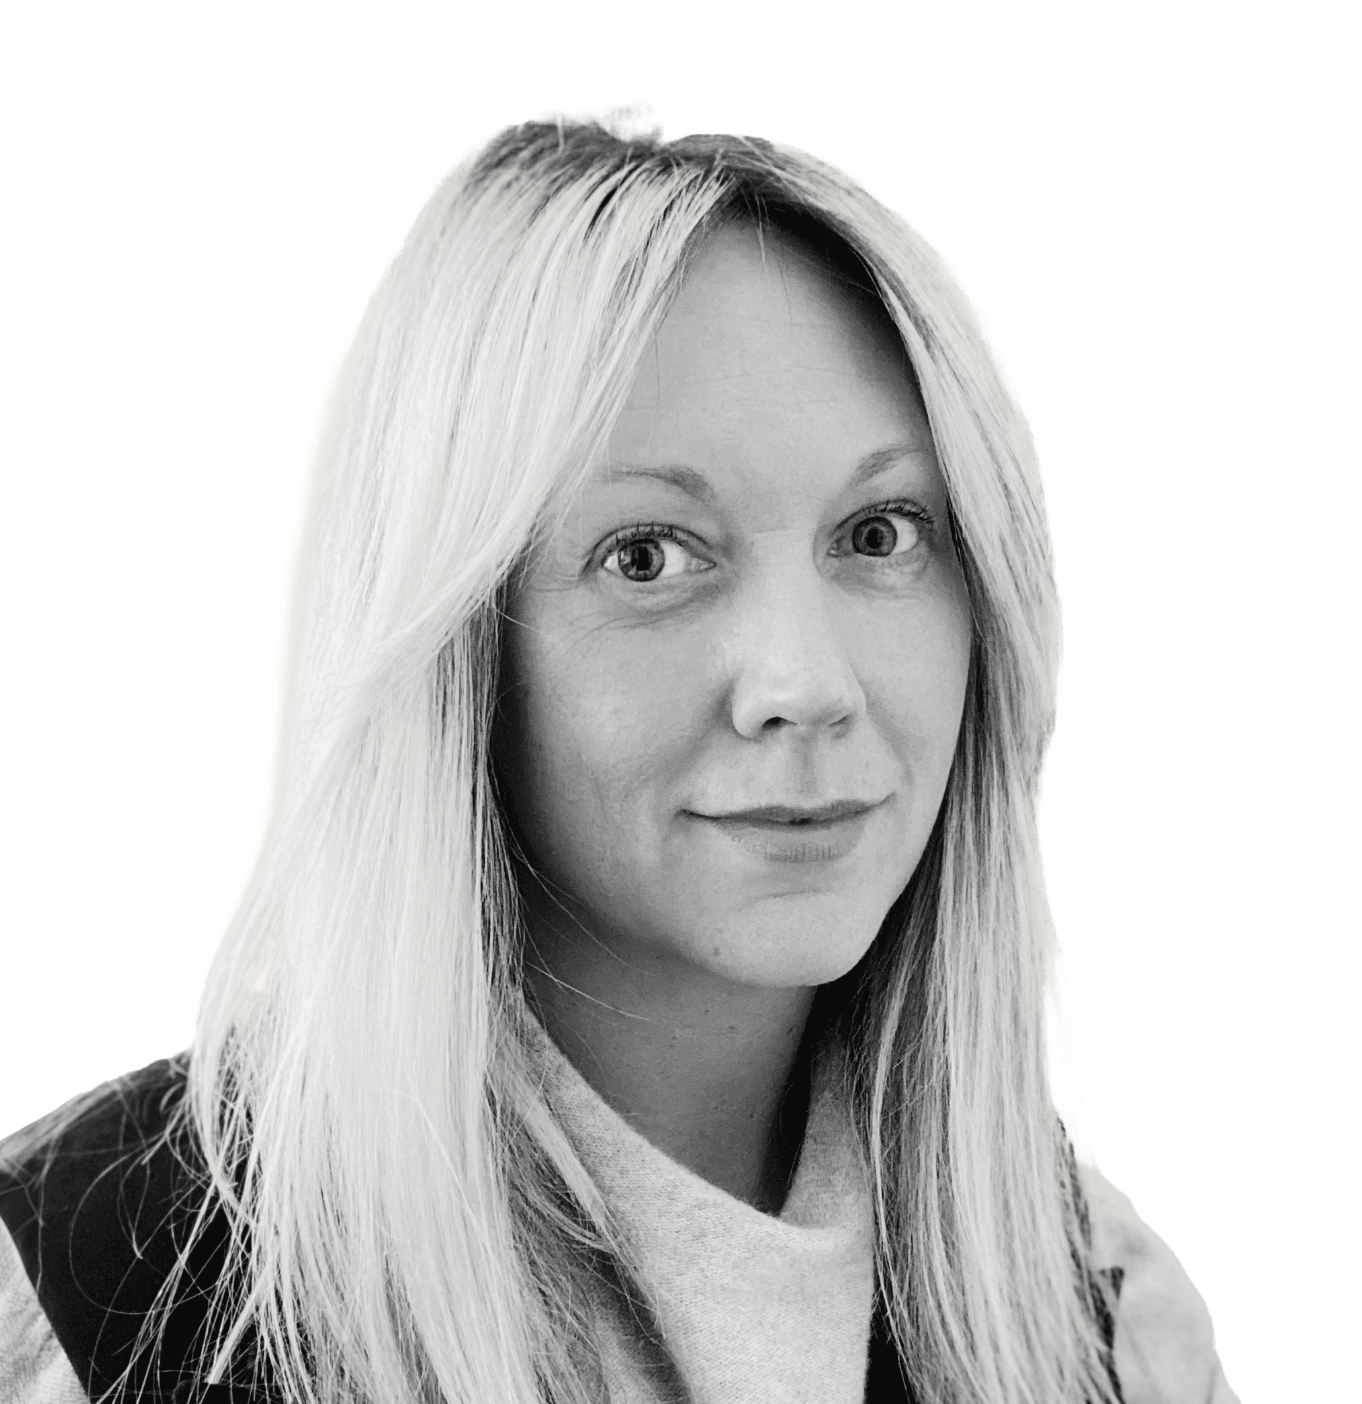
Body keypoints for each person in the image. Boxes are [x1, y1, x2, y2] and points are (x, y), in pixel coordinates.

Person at [0, 104, 1236, 1404]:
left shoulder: (1090, 1310)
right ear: (459, 644)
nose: (806, 685)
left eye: (878, 534)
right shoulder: (83, 1300)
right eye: (647, 555)